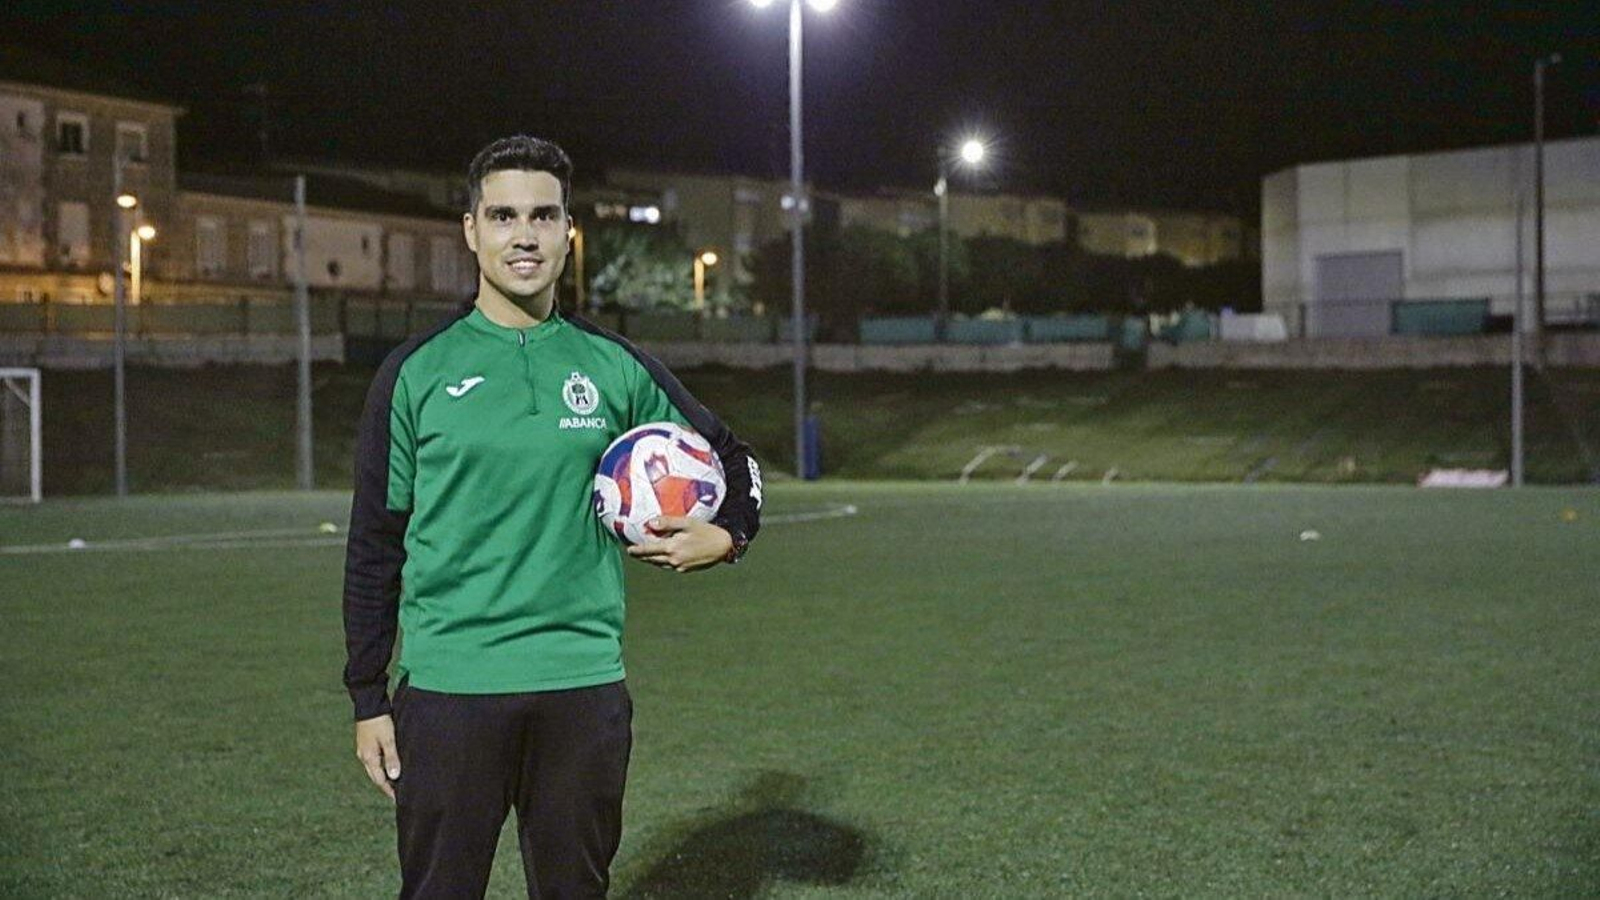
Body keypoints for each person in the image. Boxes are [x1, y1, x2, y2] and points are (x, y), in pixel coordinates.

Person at [342, 135, 762, 898]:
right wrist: (368, 697)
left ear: (568, 231)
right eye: (502, 215)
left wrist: (727, 535)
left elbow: (736, 460)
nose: (523, 235)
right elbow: (376, 545)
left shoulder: (613, 366)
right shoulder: (414, 373)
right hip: (448, 692)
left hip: (581, 687)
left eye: (542, 216)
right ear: (471, 230)